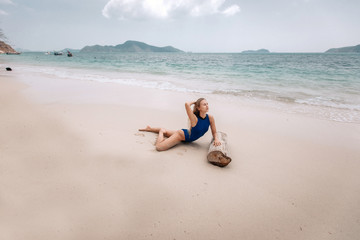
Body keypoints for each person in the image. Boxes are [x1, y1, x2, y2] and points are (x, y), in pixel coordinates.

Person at [139, 98, 221, 151]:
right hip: (181, 135)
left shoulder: (210, 118)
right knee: (159, 147)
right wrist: (195, 102)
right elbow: (186, 104)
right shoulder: (194, 118)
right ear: (198, 108)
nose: (207, 106)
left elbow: (214, 132)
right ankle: (161, 132)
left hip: (186, 136)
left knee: (167, 132)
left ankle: (149, 129)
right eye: (204, 104)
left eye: (207, 104)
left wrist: (216, 139)